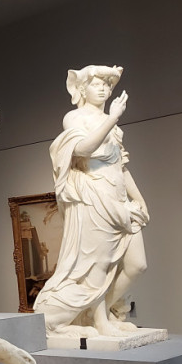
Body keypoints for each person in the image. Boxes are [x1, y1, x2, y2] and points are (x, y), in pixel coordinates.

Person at [33, 65, 148, 337]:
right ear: (83, 89)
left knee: (136, 265)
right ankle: (99, 321)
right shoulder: (74, 117)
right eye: (97, 84)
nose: (104, 89)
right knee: (97, 265)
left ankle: (102, 313)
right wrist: (113, 118)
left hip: (118, 199)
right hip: (93, 196)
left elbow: (121, 165)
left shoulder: (111, 123)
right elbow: (83, 149)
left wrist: (139, 198)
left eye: (107, 85)